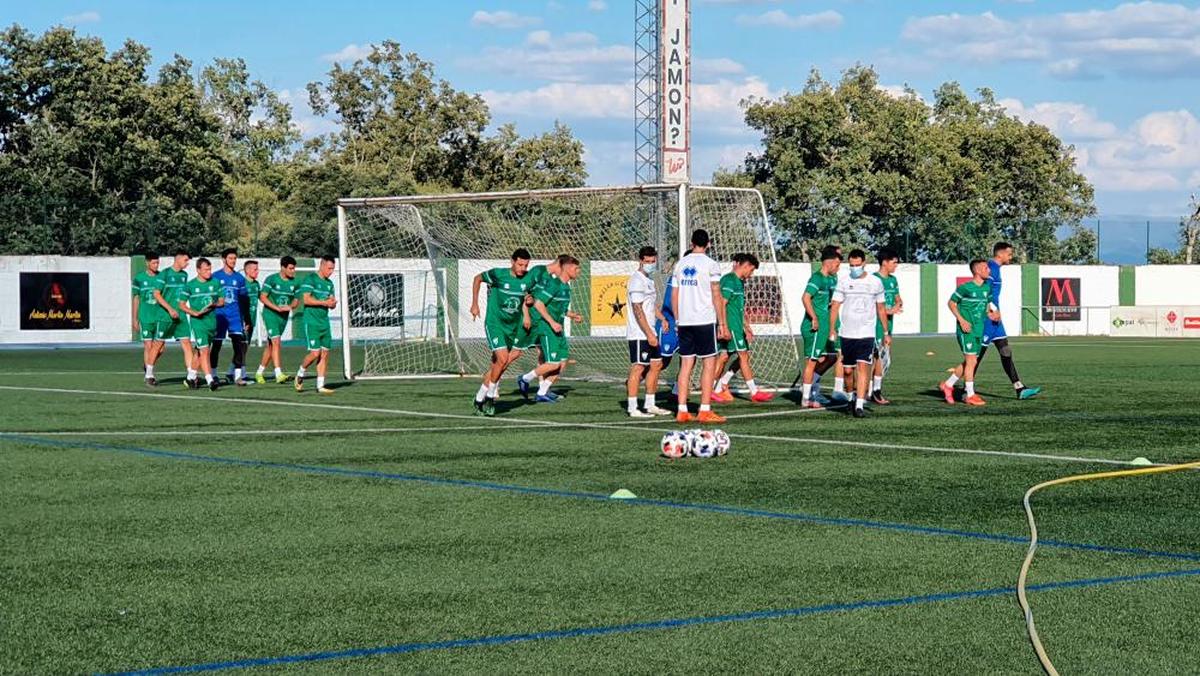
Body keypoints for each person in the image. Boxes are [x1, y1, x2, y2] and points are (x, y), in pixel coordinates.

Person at [672, 229, 727, 424]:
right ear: (708, 244)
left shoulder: (680, 264)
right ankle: (704, 410)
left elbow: (674, 295)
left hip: (685, 321)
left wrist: (678, 320)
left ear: (692, 243)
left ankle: (682, 410)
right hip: (704, 320)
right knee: (709, 363)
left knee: (686, 364)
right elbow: (716, 294)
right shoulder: (711, 265)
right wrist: (722, 323)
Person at [470, 248, 534, 415]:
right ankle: (491, 397)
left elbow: (528, 298)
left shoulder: (527, 279)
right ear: (512, 261)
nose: (523, 268)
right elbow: (478, 279)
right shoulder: (498, 274)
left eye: (526, 265)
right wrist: (475, 304)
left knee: (499, 364)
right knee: (503, 358)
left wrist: (528, 304)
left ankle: (479, 398)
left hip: (512, 326)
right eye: (520, 264)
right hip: (495, 323)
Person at [828, 249, 890, 418]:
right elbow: (835, 305)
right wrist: (832, 328)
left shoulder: (875, 282)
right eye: (851, 265)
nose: (854, 268)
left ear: (864, 263)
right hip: (847, 333)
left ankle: (860, 405)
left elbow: (881, 308)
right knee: (848, 371)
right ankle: (850, 398)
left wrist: (885, 331)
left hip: (866, 332)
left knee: (863, 367)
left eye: (857, 265)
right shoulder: (843, 281)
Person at [978, 242, 1042, 400]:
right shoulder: (991, 268)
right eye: (1009, 254)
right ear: (1000, 254)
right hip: (988, 318)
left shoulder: (996, 269)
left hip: (996, 321)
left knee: (1006, 351)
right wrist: (991, 310)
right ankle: (957, 386)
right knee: (976, 356)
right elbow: (985, 291)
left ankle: (1019, 388)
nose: (1011, 257)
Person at [712, 253, 774, 404]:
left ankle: (718, 386)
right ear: (744, 266)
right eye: (751, 270)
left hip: (736, 326)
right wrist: (723, 326)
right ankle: (753, 391)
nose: (751, 274)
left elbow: (739, 308)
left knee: (726, 356)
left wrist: (746, 326)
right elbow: (722, 303)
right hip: (730, 326)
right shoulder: (729, 280)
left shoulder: (739, 282)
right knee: (743, 356)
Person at [522, 256, 583, 402]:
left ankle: (542, 392)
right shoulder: (553, 284)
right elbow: (538, 304)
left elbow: (558, 309)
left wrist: (572, 315)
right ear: (567, 268)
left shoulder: (566, 287)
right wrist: (552, 323)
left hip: (557, 329)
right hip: (548, 328)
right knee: (553, 363)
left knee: (562, 363)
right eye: (576, 268)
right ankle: (524, 378)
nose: (578, 271)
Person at [625, 246, 671, 417]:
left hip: (651, 331)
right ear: (641, 260)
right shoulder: (636, 280)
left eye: (653, 261)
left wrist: (662, 318)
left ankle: (650, 404)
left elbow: (650, 306)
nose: (651, 264)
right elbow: (638, 310)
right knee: (639, 367)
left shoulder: (649, 280)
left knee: (656, 365)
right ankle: (632, 407)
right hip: (639, 333)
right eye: (648, 261)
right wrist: (649, 334)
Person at [940, 259, 992, 406]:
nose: (989, 270)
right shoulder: (965, 288)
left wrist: (992, 314)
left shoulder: (987, 288)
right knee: (971, 361)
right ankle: (970, 394)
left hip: (979, 329)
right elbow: (951, 303)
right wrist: (961, 320)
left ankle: (948, 385)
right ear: (977, 271)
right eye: (986, 268)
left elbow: (987, 307)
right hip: (966, 329)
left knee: (970, 362)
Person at [799, 246, 842, 408]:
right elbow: (805, 298)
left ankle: (811, 388)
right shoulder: (817, 278)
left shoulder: (830, 279)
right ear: (829, 263)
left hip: (825, 325)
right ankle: (805, 398)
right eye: (837, 265)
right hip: (814, 326)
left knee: (830, 357)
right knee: (812, 361)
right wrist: (814, 317)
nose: (838, 269)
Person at [178, 258, 224, 391]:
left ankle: (190, 377)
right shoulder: (190, 285)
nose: (209, 272)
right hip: (198, 323)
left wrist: (214, 304)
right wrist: (194, 313)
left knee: (200, 351)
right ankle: (210, 380)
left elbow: (222, 301)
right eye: (205, 270)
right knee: (204, 351)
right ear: (198, 270)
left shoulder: (215, 283)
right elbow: (181, 305)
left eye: (210, 269)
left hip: (211, 322)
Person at [131, 254, 176, 387]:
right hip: (145, 317)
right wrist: (134, 318)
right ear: (147, 263)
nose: (156, 265)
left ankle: (147, 365)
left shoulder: (162, 277)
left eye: (158, 263)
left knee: (160, 349)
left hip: (160, 316)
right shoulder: (139, 278)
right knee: (149, 346)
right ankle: (149, 376)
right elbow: (136, 299)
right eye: (154, 263)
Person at [295, 256, 337, 395]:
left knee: (324, 353)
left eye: (333, 269)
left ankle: (320, 385)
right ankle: (301, 372)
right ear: (322, 265)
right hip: (311, 322)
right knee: (315, 353)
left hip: (324, 322)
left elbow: (331, 304)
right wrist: (324, 302)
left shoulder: (330, 284)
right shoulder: (310, 279)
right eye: (329, 268)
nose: (331, 272)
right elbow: (306, 300)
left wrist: (332, 303)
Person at [255, 256, 300, 384]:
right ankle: (278, 373)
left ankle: (259, 372)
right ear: (283, 267)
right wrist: (276, 308)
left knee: (271, 345)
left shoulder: (295, 283)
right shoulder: (272, 279)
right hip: (270, 314)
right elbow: (263, 297)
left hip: (283, 317)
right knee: (276, 342)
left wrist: (290, 306)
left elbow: (296, 301)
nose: (293, 271)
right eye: (290, 268)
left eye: (294, 268)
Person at [210, 248, 250, 386]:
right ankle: (213, 374)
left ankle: (238, 377)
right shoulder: (215, 277)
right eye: (230, 258)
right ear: (224, 259)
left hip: (234, 316)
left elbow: (244, 300)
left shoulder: (239, 279)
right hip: (219, 315)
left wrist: (247, 318)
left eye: (235, 258)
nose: (233, 261)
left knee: (238, 346)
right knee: (216, 346)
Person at [157, 250, 195, 388]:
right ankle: (149, 371)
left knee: (187, 343)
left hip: (181, 315)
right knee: (159, 346)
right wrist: (170, 309)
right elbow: (157, 294)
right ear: (178, 259)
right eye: (185, 260)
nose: (187, 263)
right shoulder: (165, 274)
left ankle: (191, 375)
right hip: (166, 315)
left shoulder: (184, 275)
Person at [870, 248, 903, 405]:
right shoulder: (873, 280)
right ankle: (872, 391)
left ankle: (874, 390)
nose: (896, 266)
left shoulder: (893, 280)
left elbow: (898, 298)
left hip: (888, 324)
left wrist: (897, 304)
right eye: (894, 262)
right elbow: (872, 306)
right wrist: (889, 310)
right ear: (884, 262)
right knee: (876, 358)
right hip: (875, 325)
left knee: (882, 359)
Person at [243, 259, 261, 353]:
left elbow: (262, 298)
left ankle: (237, 366)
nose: (257, 271)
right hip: (243, 320)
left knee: (246, 345)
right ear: (247, 270)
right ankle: (239, 367)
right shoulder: (242, 283)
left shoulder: (256, 284)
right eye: (255, 269)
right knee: (241, 345)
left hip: (252, 319)